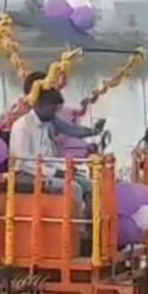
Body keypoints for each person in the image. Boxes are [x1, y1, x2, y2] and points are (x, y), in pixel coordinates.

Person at [9, 71, 103, 210]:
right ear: (38, 105)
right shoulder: (22, 126)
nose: (54, 114)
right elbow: (24, 164)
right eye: (52, 110)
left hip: (47, 170)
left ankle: (90, 224)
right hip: (27, 175)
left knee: (89, 184)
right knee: (74, 188)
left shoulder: (47, 122)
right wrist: (56, 173)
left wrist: (66, 169)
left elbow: (70, 133)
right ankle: (75, 228)